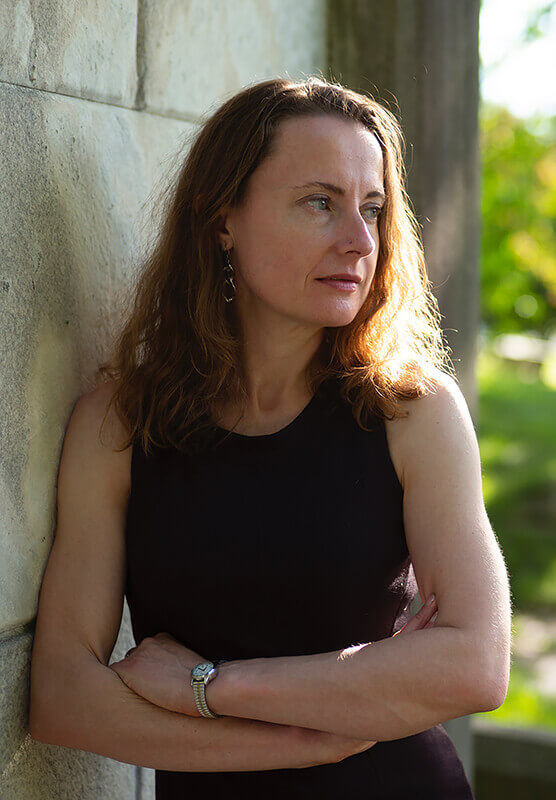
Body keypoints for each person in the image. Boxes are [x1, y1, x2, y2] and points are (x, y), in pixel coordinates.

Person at [29, 76, 511, 798]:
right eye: (320, 202)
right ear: (222, 216)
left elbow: (477, 663)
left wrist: (210, 686)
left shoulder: (412, 412)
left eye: (373, 208)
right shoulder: (120, 425)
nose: (360, 240)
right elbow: (63, 697)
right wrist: (307, 742)